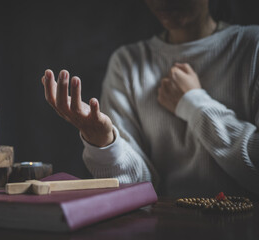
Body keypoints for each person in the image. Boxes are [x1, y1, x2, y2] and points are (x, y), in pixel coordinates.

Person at [41, 0, 259, 197]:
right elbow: (140, 189)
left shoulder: (253, 47)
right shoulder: (126, 64)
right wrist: (105, 144)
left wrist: (194, 104)